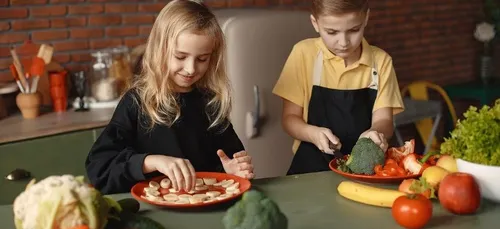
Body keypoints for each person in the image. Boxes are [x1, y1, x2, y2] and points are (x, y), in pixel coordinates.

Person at [85, 0, 255, 195]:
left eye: (202, 59)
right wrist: (150, 161)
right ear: (160, 50)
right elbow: (100, 170)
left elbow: (227, 168)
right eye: (180, 57)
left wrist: (232, 171)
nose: (191, 69)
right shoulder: (136, 102)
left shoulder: (211, 104)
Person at [272, 0, 404, 175]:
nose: (343, 42)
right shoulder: (303, 54)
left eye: (354, 30)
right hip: (310, 169)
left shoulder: (381, 62)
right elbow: (289, 118)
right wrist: (312, 134)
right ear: (315, 23)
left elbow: (385, 122)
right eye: (332, 32)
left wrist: (375, 133)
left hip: (365, 172)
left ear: (365, 19)